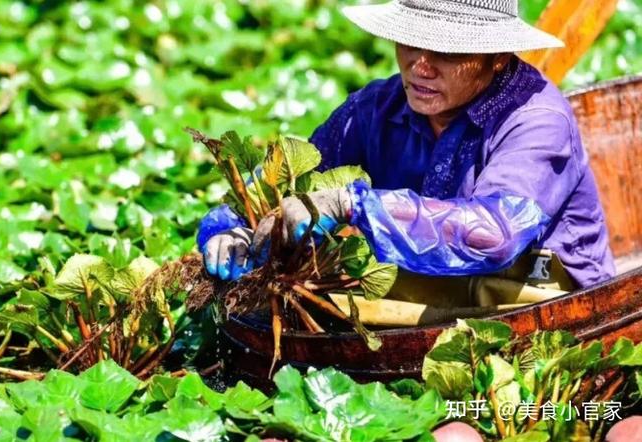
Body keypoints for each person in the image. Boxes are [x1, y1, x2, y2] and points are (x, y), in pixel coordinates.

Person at [198, 0, 615, 304]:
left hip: (536, 295)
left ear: (499, 56)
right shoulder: (372, 110)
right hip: (422, 293)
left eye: (448, 51)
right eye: (410, 43)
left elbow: (495, 235)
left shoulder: (538, 120)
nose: (420, 66)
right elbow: (272, 189)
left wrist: (352, 205)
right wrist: (233, 229)